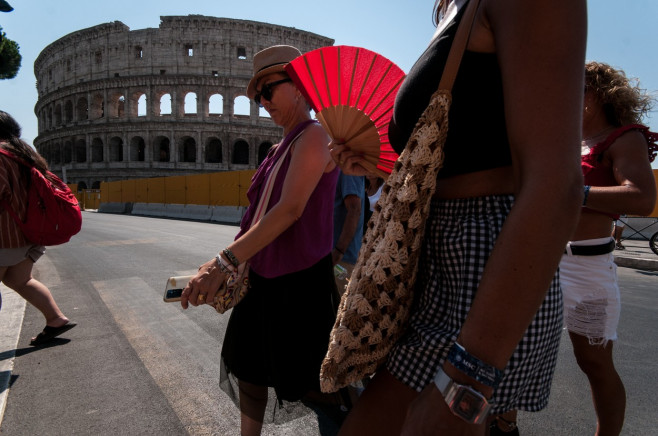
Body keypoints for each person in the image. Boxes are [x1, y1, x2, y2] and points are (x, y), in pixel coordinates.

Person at [328, 0, 586, 435]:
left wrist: (466, 380)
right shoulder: (458, 10)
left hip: (483, 271)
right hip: (440, 265)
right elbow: (471, 152)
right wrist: (380, 167)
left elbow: (557, 186)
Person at [179, 45, 339, 436]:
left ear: (299, 86)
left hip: (300, 283)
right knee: (248, 370)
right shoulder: (279, 147)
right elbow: (256, 216)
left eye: (268, 90)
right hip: (263, 277)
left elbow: (289, 211)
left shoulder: (315, 135)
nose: (262, 101)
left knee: (317, 387)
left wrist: (223, 263)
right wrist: (219, 264)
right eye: (257, 95)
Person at [560, 61, 657, 436]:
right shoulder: (566, 139)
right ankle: (506, 422)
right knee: (520, 350)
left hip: (587, 267)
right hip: (544, 260)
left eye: (581, 88)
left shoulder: (623, 137)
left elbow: (642, 197)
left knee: (594, 363)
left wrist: (577, 192)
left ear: (602, 93)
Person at [0, 110, 77, 346]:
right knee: (19, 280)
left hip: (5, 237)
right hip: (32, 236)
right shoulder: (27, 155)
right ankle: (55, 319)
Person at [332, 171, 365, 294]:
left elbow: (354, 209)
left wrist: (339, 251)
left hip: (341, 259)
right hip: (334, 256)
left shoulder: (347, 168)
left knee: (338, 308)